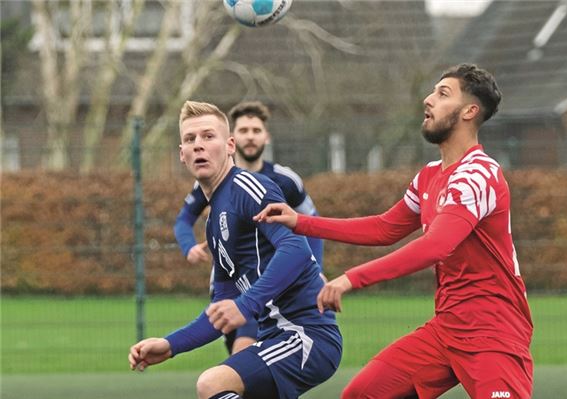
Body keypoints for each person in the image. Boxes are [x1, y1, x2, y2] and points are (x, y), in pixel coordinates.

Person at [255, 64, 534, 399]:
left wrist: (351, 277)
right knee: (361, 394)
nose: (428, 100)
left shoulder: (478, 175)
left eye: (443, 94)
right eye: (432, 91)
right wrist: (301, 222)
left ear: (469, 112)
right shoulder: (430, 176)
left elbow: (435, 246)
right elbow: (385, 227)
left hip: (495, 333)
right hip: (447, 330)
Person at [128, 101, 341, 399]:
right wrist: (170, 345)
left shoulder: (247, 187)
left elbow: (295, 247)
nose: (199, 146)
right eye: (190, 140)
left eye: (208, 136)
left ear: (230, 146)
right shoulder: (214, 225)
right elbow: (221, 310)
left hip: (305, 335)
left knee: (213, 384)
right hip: (274, 336)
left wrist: (246, 305)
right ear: (181, 154)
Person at [173, 100, 324, 355]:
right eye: (244, 130)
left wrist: (316, 268)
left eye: (256, 130)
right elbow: (183, 220)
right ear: (235, 138)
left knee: (236, 368)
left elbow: (309, 227)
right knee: (240, 367)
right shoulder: (210, 186)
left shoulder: (281, 180)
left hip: (272, 292)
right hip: (237, 285)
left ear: (266, 136)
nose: (250, 137)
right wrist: (169, 346)